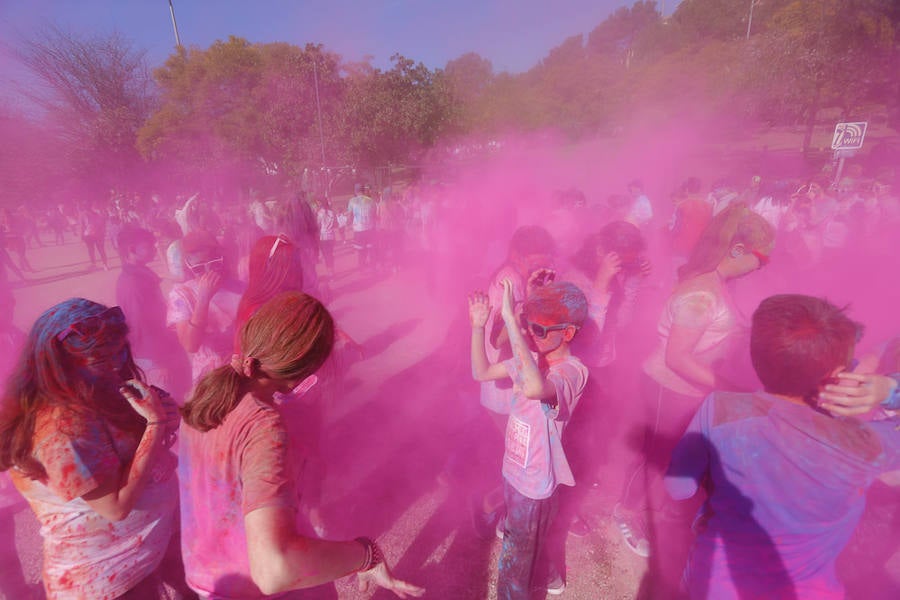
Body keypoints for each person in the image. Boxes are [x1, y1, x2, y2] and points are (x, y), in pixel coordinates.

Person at [177, 291, 424, 599]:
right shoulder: (263, 425)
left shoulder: (206, 390)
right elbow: (274, 570)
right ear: (307, 372)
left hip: (211, 580)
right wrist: (365, 555)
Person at [664, 294, 900, 598]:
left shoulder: (722, 407)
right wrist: (890, 390)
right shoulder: (867, 446)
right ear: (837, 376)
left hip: (714, 584)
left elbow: (678, 487)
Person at [614, 203, 775, 558]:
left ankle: (653, 508)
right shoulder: (702, 293)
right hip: (666, 387)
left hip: (687, 390)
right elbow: (676, 357)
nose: (762, 267)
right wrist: (733, 389)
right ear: (737, 250)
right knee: (652, 455)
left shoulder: (715, 283)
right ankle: (625, 512)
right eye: (761, 259)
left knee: (670, 455)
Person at [0, 298, 188, 598]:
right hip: (105, 582)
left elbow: (129, 456)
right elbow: (115, 506)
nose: (115, 366)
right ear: (60, 363)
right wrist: (154, 424)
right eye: (101, 359)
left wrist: (165, 424)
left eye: (119, 352)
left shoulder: (91, 391)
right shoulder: (61, 427)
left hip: (142, 560)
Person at [469, 278, 589, 598]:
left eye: (539, 330)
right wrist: (479, 328)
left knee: (515, 554)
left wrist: (512, 319)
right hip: (514, 470)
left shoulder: (573, 372)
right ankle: (549, 576)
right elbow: (481, 373)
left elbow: (536, 389)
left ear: (568, 333)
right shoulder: (531, 360)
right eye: (528, 326)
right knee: (531, 537)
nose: (530, 336)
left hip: (534, 483)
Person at [468, 226, 557, 539]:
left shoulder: (518, 277)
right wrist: (519, 316)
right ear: (518, 254)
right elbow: (496, 334)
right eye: (537, 257)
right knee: (518, 455)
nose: (543, 262)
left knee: (517, 453)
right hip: (503, 384)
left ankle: (496, 506)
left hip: (508, 377)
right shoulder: (510, 279)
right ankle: (489, 506)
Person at [117, 226, 192, 402]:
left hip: (162, 348)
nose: (154, 248)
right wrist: (160, 361)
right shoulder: (133, 283)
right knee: (172, 403)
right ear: (132, 250)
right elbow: (140, 325)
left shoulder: (140, 277)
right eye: (149, 245)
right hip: (156, 355)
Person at [167, 231, 243, 384]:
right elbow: (190, 345)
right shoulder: (181, 295)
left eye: (215, 264)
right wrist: (203, 299)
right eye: (199, 269)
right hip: (211, 378)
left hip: (242, 369)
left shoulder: (239, 288)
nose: (209, 272)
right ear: (188, 267)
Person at [347, 183, 376, 268]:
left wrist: (348, 223)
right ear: (364, 190)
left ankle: (362, 267)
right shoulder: (371, 200)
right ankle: (372, 266)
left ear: (355, 191)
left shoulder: (352, 201)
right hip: (370, 228)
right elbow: (374, 215)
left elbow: (349, 216)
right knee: (370, 249)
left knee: (361, 250)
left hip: (359, 230)